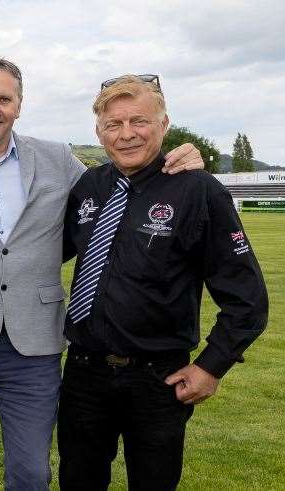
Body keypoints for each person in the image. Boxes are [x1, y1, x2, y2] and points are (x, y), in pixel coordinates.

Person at [0, 58, 204, 490]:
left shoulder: (56, 159)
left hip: (36, 335)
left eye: (4, 99)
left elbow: (122, 183)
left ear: (19, 105)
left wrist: (176, 159)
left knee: (32, 471)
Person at [57, 74, 268, 490]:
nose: (127, 134)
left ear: (164, 125)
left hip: (158, 379)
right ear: (98, 131)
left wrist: (211, 366)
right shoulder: (90, 186)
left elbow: (247, 299)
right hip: (84, 372)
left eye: (139, 122)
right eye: (113, 125)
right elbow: (46, 250)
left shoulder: (197, 190)